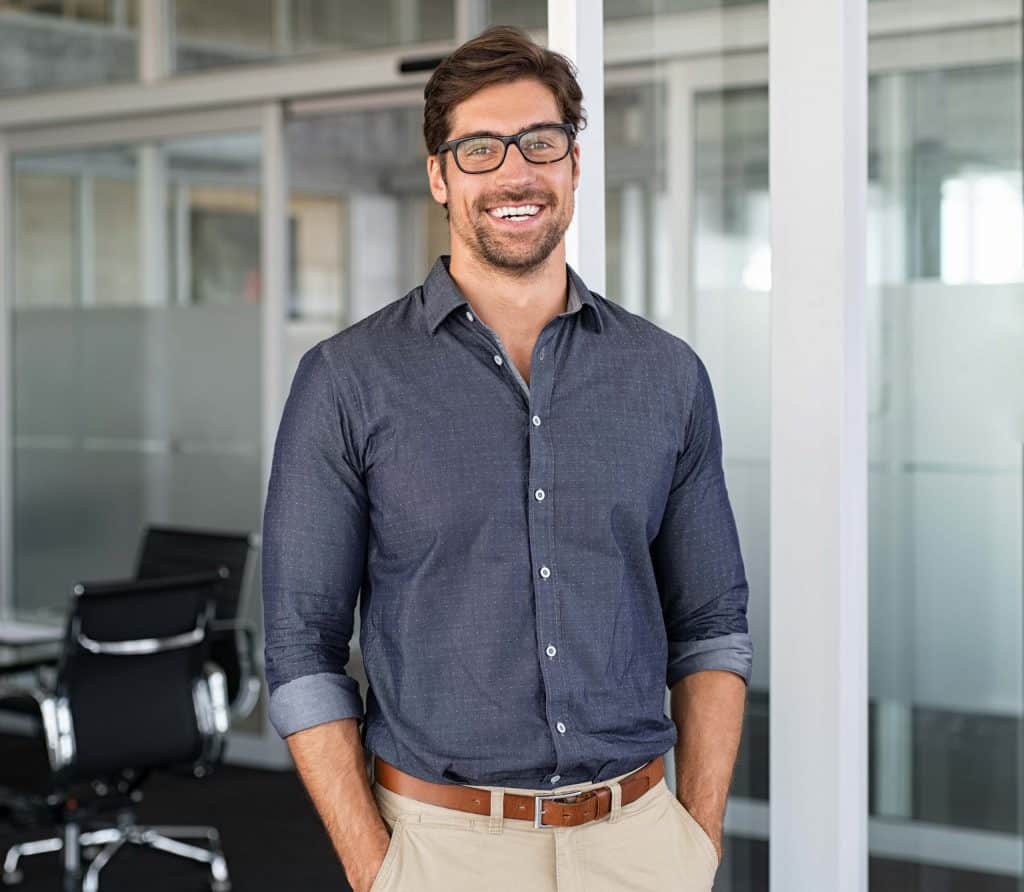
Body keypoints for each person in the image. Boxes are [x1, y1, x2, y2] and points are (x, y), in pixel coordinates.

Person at [261, 24, 752, 892]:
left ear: (572, 166)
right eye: (480, 149)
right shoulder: (346, 380)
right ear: (440, 176)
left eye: (542, 142)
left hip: (640, 845)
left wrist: (696, 839)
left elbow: (712, 624)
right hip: (440, 851)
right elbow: (302, 651)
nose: (515, 173)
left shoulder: (665, 374)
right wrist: (376, 869)